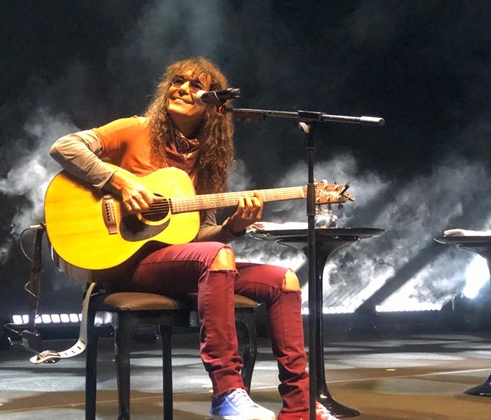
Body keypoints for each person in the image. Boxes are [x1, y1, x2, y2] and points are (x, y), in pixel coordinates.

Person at [50, 56, 337, 420]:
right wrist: (120, 182)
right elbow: (64, 147)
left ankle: (299, 408)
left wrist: (234, 226)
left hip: (177, 263)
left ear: (215, 105)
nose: (183, 88)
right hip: (123, 262)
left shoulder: (208, 159)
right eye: (177, 81)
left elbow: (199, 235)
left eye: (195, 85)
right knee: (216, 257)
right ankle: (227, 392)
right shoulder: (135, 129)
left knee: (284, 280)